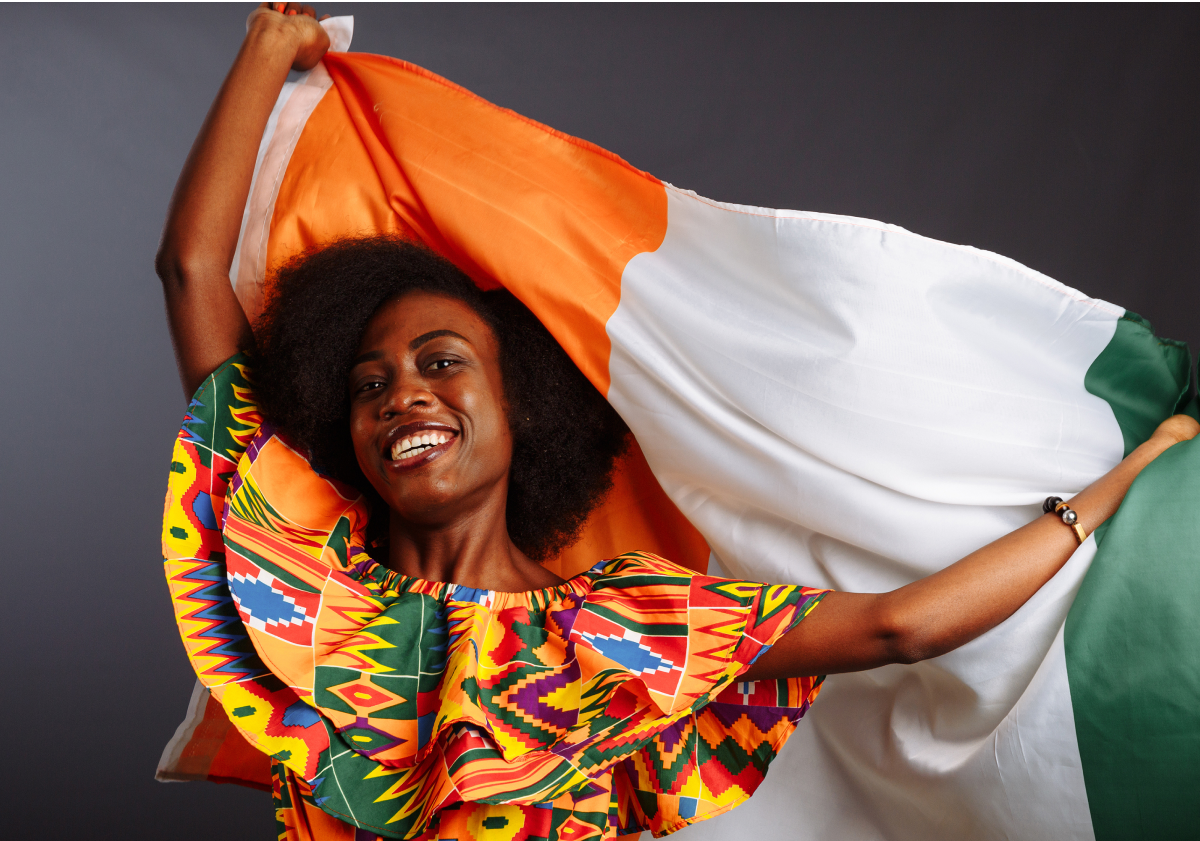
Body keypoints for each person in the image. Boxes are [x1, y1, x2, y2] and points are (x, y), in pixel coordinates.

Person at [157, 4, 1199, 839]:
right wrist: (265, 49)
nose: (405, 395)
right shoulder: (307, 577)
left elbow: (904, 624)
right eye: (370, 383)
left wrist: (1120, 484)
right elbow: (192, 268)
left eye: (442, 364)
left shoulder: (618, 628)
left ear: (519, 408)